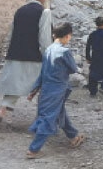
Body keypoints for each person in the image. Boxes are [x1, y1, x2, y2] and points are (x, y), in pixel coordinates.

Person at [0, 0, 54, 130]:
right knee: (43, 87)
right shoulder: (44, 12)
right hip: (33, 57)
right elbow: (44, 39)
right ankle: (42, 120)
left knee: (14, 86)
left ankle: (2, 111)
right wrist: (49, 57)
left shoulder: (20, 11)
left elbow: (12, 33)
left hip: (15, 54)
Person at [26, 22, 85, 159]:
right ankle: (33, 150)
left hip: (46, 88)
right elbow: (73, 69)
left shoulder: (48, 49)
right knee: (48, 118)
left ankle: (73, 136)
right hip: (58, 89)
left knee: (59, 113)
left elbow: (43, 72)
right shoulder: (64, 51)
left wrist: (34, 89)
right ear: (67, 36)